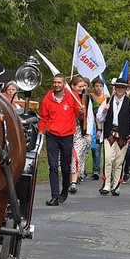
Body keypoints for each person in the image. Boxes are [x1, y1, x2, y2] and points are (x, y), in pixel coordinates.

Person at [38, 74, 81, 206]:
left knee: (65, 166)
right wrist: (40, 132)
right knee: (53, 166)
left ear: (64, 84)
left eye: (59, 82)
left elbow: (79, 115)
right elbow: (43, 117)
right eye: (55, 82)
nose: (56, 85)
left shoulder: (72, 96)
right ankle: (54, 196)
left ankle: (64, 191)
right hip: (52, 135)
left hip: (67, 135)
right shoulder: (48, 98)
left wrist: (82, 112)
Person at [96, 77, 130, 196]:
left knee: (119, 161)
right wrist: (104, 111)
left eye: (122, 87)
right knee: (108, 158)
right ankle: (106, 184)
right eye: (118, 87)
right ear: (114, 88)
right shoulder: (107, 101)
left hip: (123, 135)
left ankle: (116, 185)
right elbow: (99, 118)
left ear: (126, 89)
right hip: (110, 133)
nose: (120, 89)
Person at [68, 76, 90, 194]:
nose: (82, 89)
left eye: (83, 86)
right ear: (73, 86)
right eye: (79, 87)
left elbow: (89, 116)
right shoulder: (67, 97)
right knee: (67, 155)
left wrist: (88, 133)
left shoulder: (86, 98)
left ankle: (73, 182)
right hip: (67, 129)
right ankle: (69, 177)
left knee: (76, 155)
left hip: (80, 130)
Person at [88, 77, 108, 180]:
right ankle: (95, 169)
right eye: (96, 86)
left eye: (100, 86)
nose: (98, 88)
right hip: (95, 124)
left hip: (105, 125)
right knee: (95, 147)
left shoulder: (106, 98)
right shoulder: (91, 97)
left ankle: (102, 168)